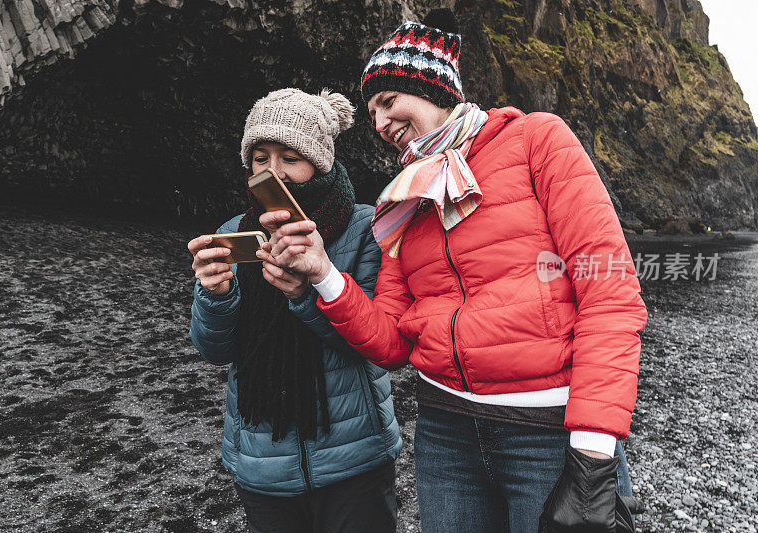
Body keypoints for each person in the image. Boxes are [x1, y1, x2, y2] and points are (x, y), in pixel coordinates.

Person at [257, 9, 647, 533]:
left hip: (547, 431)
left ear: (435, 89)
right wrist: (325, 274)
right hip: (446, 435)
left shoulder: (537, 141)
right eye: (371, 110)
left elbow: (610, 292)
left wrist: (594, 457)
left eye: (388, 102)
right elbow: (393, 341)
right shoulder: (402, 198)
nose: (378, 123)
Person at [188, 88, 402, 532]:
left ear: (319, 161)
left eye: (290, 157)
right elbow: (216, 350)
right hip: (262, 458)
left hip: (353, 456)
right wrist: (216, 295)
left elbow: (376, 342)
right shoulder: (233, 233)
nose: (274, 172)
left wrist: (306, 295)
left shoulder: (367, 228)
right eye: (261, 158)